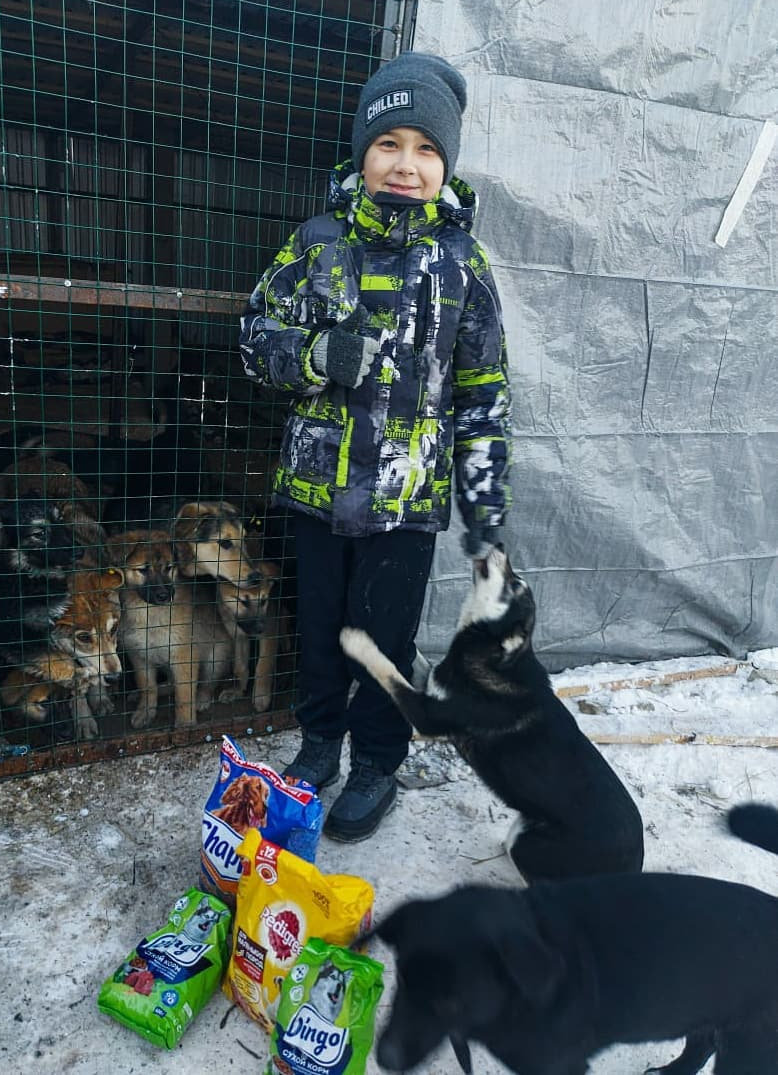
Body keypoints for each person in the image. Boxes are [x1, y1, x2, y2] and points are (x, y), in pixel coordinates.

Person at [239, 51, 511, 842]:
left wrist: (485, 503)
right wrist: (317, 356)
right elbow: (257, 337)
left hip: (406, 502)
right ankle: (321, 741)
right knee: (319, 626)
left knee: (383, 640)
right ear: (362, 151)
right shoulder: (317, 242)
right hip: (318, 490)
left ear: (445, 166)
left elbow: (484, 390)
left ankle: (378, 761)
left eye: (427, 149)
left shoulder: (464, 264)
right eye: (389, 142)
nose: (406, 164)